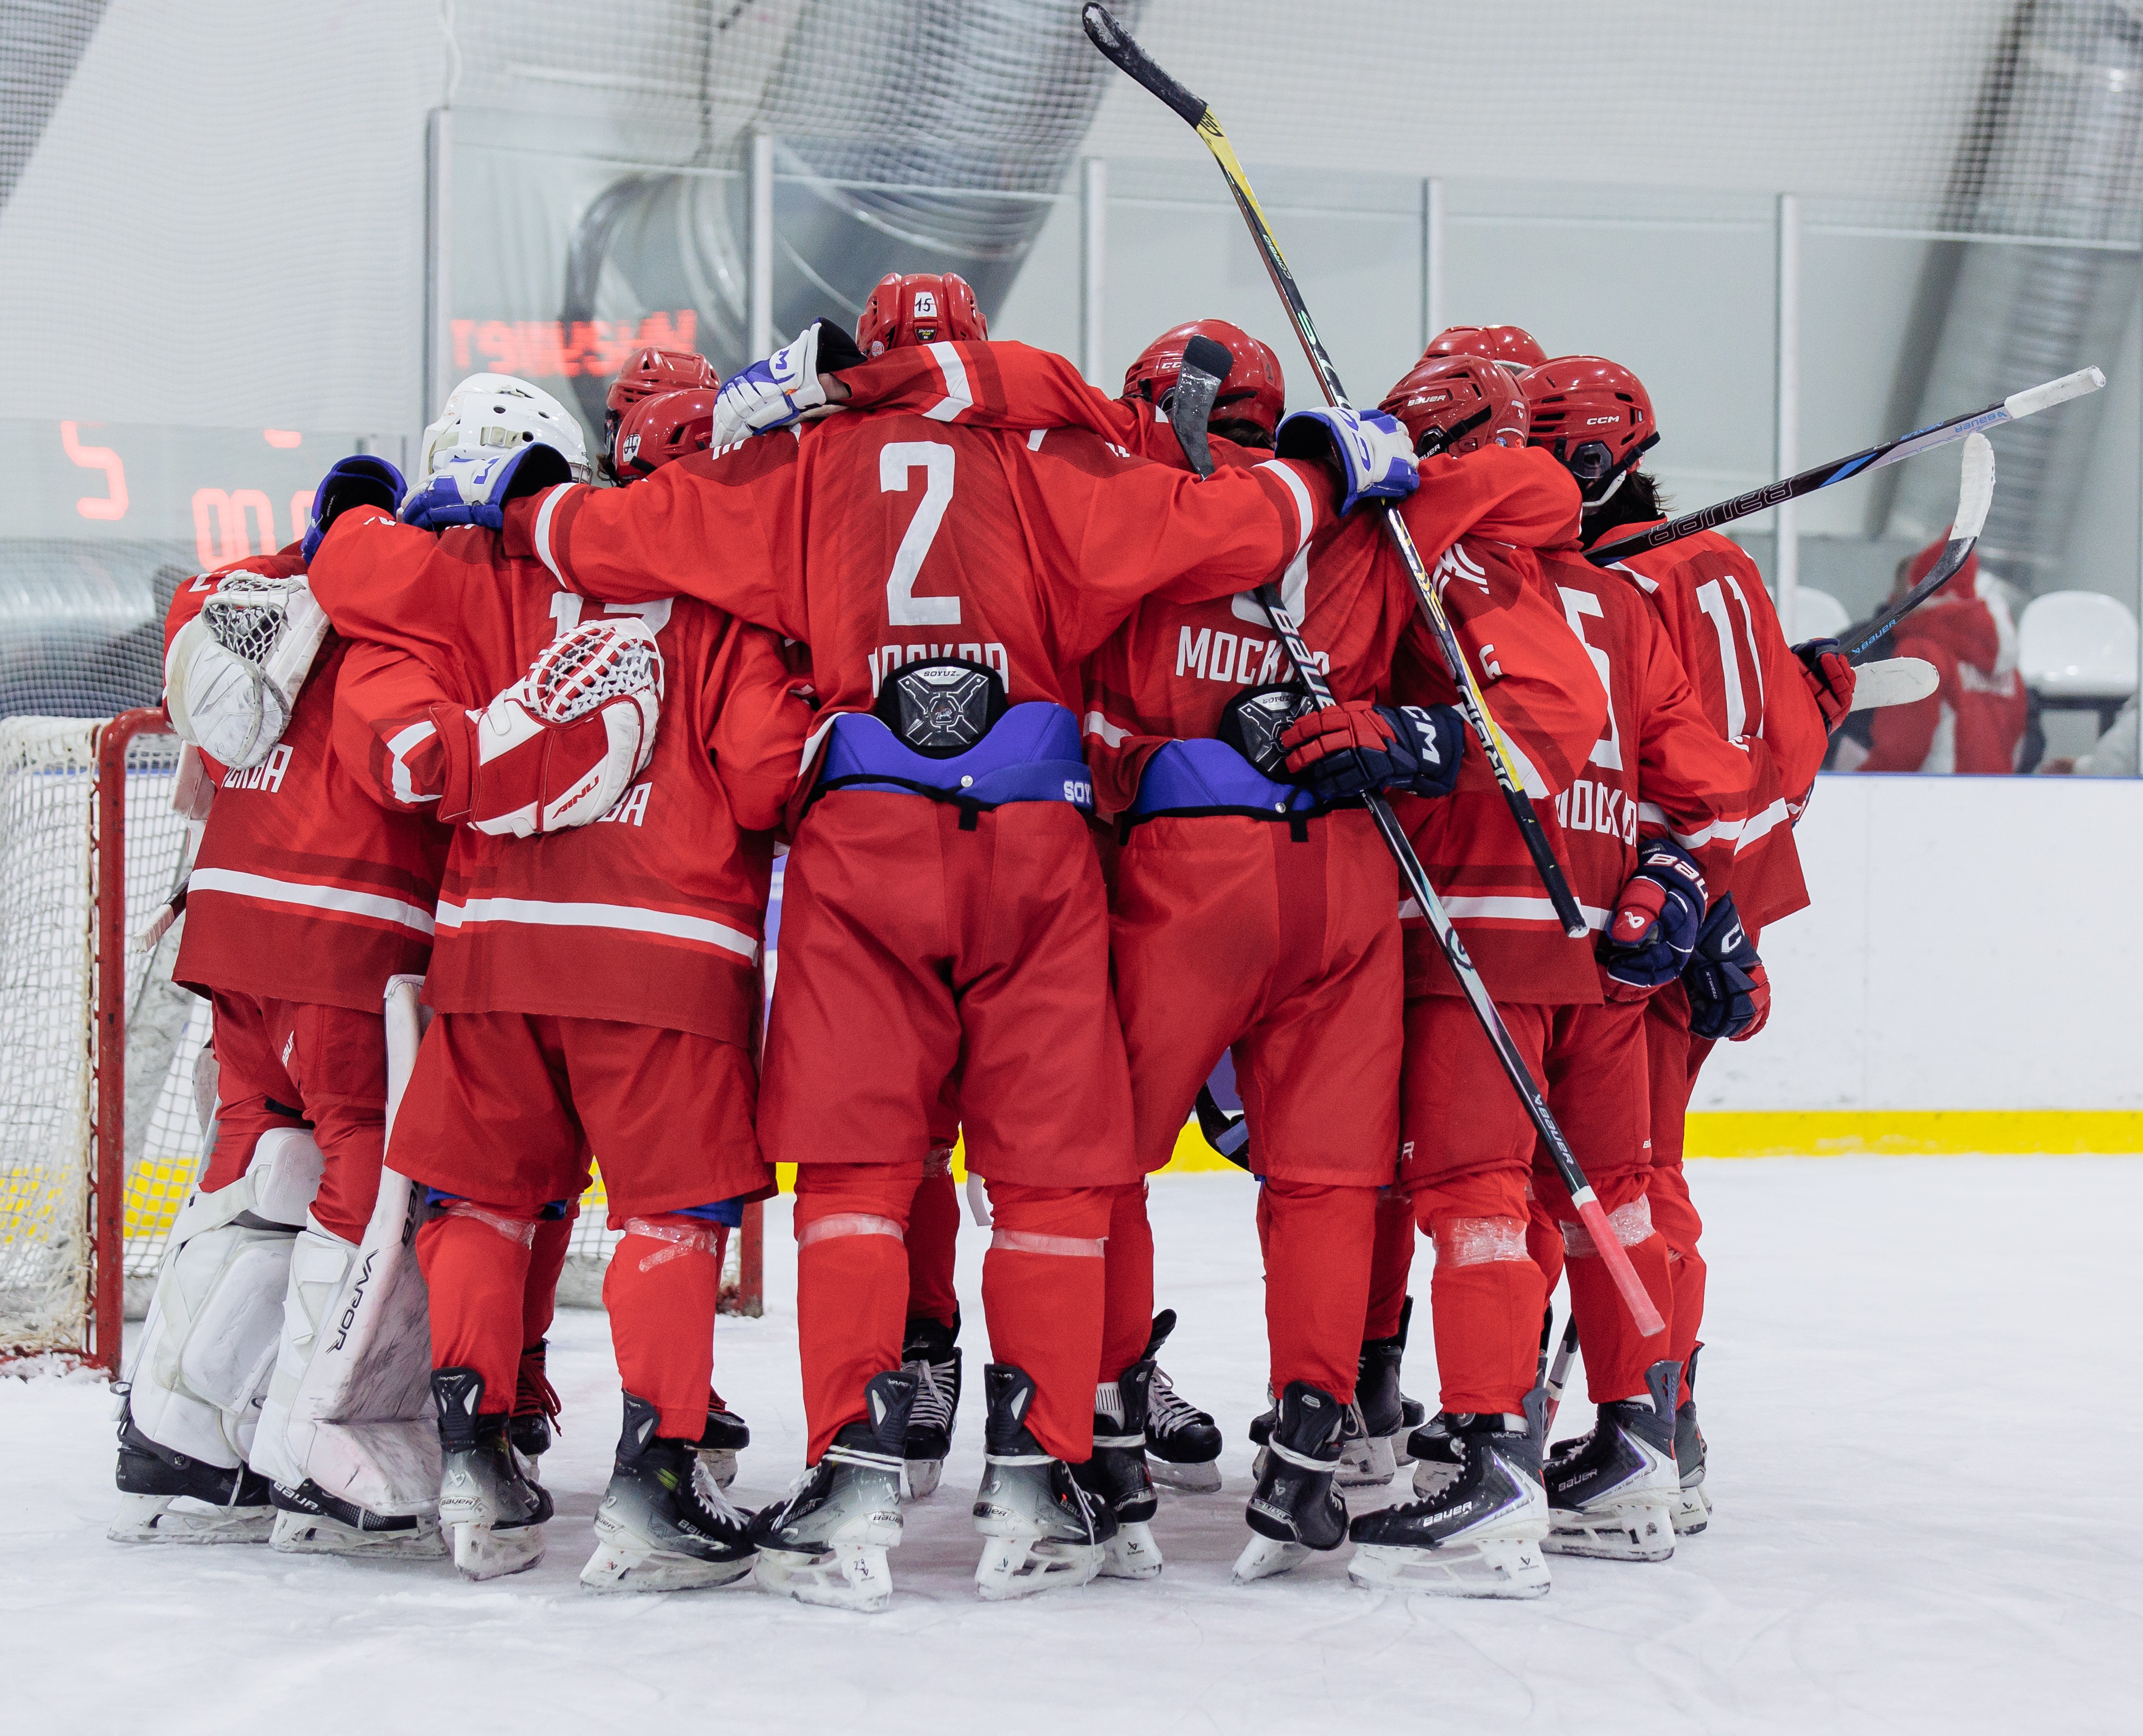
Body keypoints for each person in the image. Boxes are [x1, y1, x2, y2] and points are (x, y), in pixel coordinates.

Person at [426, 313, 1416, 1611]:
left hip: (861, 834)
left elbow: (607, 541)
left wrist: (516, 507)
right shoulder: (1052, 456)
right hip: (1036, 832)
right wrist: (1321, 473)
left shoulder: (799, 464)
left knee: (856, 1173)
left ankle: (851, 1469)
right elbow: (1238, 531)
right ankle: (1043, 1472)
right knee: (1054, 1179)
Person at [310, 372, 803, 1591]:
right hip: (665, 958)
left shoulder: (489, 569)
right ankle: (654, 1486)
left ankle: (473, 1462)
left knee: (479, 1203)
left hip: (494, 950)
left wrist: (367, 515)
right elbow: (764, 776)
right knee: (668, 1218)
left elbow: (357, 595)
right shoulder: (728, 598)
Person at [116, 453, 451, 1555]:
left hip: (232, 936)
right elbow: (425, 768)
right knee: (363, 1177)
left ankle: (179, 1437)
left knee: (255, 1169)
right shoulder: (399, 627)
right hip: (346, 940)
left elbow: (200, 627)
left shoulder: (238, 602)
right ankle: (315, 1451)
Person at [1540, 353, 1839, 1534]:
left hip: (1651, 911)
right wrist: (1815, 700)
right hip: (1722, 901)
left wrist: (1681, 898)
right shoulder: (1723, 565)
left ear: (1588, 460)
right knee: (1649, 1168)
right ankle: (1667, 1426)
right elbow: (1782, 759)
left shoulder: (1617, 586)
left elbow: (1641, 764)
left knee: (1626, 1177)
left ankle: (1653, 1434)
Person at [1856, 540, 2027, 774]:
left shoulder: (1920, 653)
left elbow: (1900, 753)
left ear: (1916, 594)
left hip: (1933, 793)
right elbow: (2019, 747)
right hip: (1996, 793)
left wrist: (1857, 784)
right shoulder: (2006, 665)